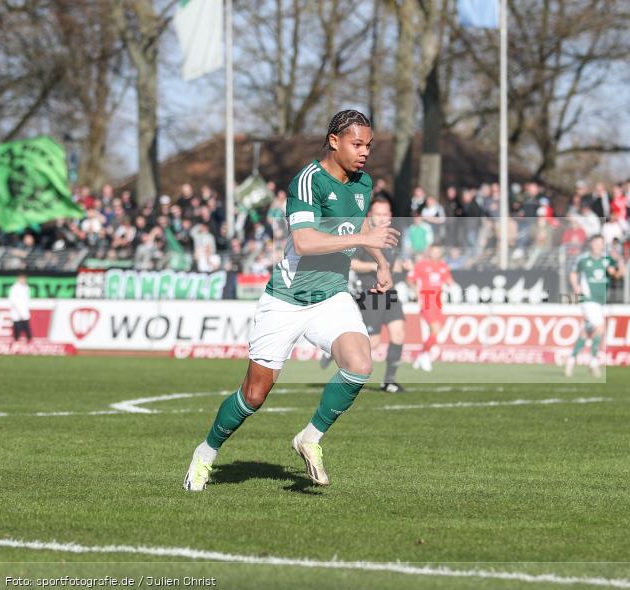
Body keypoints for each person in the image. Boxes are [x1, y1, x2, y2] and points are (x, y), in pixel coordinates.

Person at [183, 110, 399, 491]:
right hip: (287, 299)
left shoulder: (363, 183)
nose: (364, 152)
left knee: (360, 364)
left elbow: (359, 224)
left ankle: (309, 438)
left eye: (368, 145)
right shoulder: (307, 180)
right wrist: (364, 240)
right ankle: (206, 452)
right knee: (254, 395)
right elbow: (304, 241)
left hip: (331, 296)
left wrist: (380, 262)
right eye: (357, 144)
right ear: (334, 141)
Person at [347, 197, 408, 393]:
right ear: (370, 216)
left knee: (399, 332)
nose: (382, 218)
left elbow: (393, 265)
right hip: (370, 293)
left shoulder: (392, 237)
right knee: (373, 341)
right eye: (378, 214)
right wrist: (376, 265)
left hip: (389, 293)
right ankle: (340, 356)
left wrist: (403, 267)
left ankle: (389, 381)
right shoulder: (363, 237)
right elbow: (351, 263)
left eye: (385, 213)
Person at [565, 235, 621, 378]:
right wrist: (576, 286)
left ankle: (571, 360)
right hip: (588, 300)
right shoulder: (583, 259)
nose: (598, 246)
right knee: (600, 328)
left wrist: (619, 261)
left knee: (587, 332)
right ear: (591, 244)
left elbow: (616, 275)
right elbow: (573, 273)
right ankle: (593, 362)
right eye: (596, 243)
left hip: (601, 301)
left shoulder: (606, 260)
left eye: (601, 243)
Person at [407, 243, 455, 372]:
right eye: (434, 251)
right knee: (435, 329)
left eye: (438, 251)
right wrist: (416, 292)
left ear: (441, 253)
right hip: (427, 300)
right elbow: (410, 279)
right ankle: (425, 356)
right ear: (429, 252)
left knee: (436, 331)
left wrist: (450, 284)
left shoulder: (443, 266)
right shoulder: (421, 265)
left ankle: (422, 355)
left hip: (438, 301)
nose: (435, 254)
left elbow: (450, 281)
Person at [8, 274, 32, 342]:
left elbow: (27, 300)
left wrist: (26, 309)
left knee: (26, 326)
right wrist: (19, 311)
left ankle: (29, 339)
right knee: (17, 326)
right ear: (18, 279)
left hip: (24, 310)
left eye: (24, 279)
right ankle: (16, 339)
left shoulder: (26, 287)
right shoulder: (14, 288)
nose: (23, 280)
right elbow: (13, 301)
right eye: (22, 279)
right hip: (16, 311)